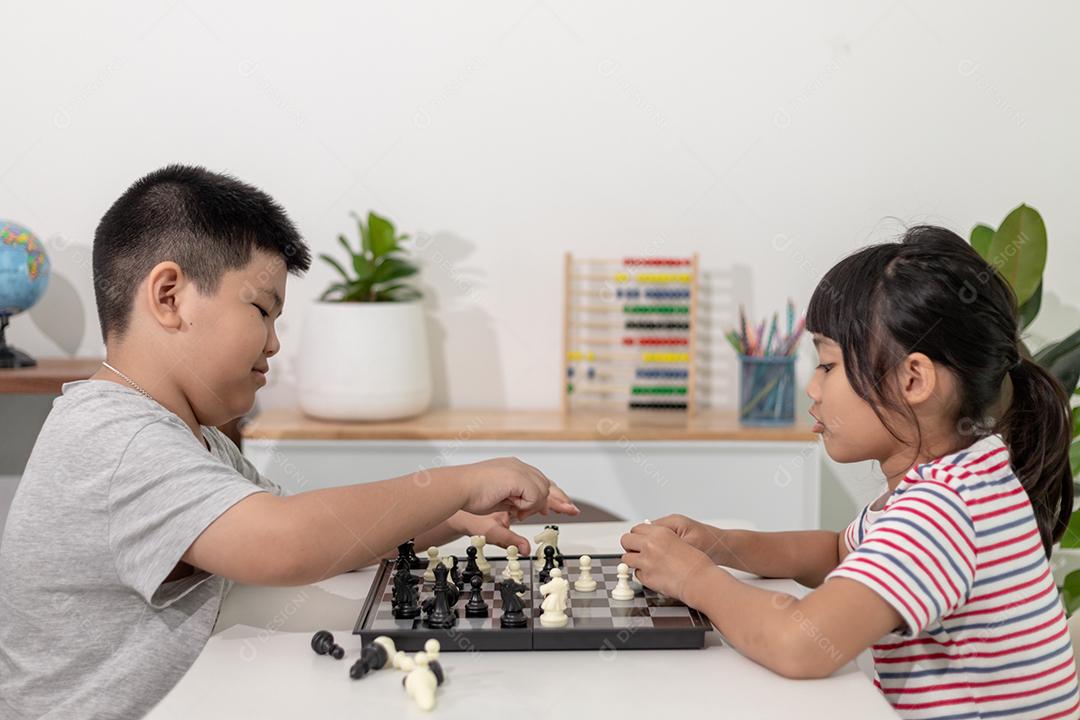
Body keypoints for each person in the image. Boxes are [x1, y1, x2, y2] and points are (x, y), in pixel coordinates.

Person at [0, 165, 577, 718]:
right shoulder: (114, 440)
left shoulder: (189, 437)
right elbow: (285, 542)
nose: (274, 344)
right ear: (170, 297)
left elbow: (333, 538)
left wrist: (454, 518)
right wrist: (460, 480)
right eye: (261, 309)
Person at [623, 226, 1079, 718]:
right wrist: (722, 543)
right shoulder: (964, 476)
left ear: (912, 379)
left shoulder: (946, 509)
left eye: (827, 365)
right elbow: (838, 551)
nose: (812, 390)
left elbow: (800, 645)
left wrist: (695, 578)